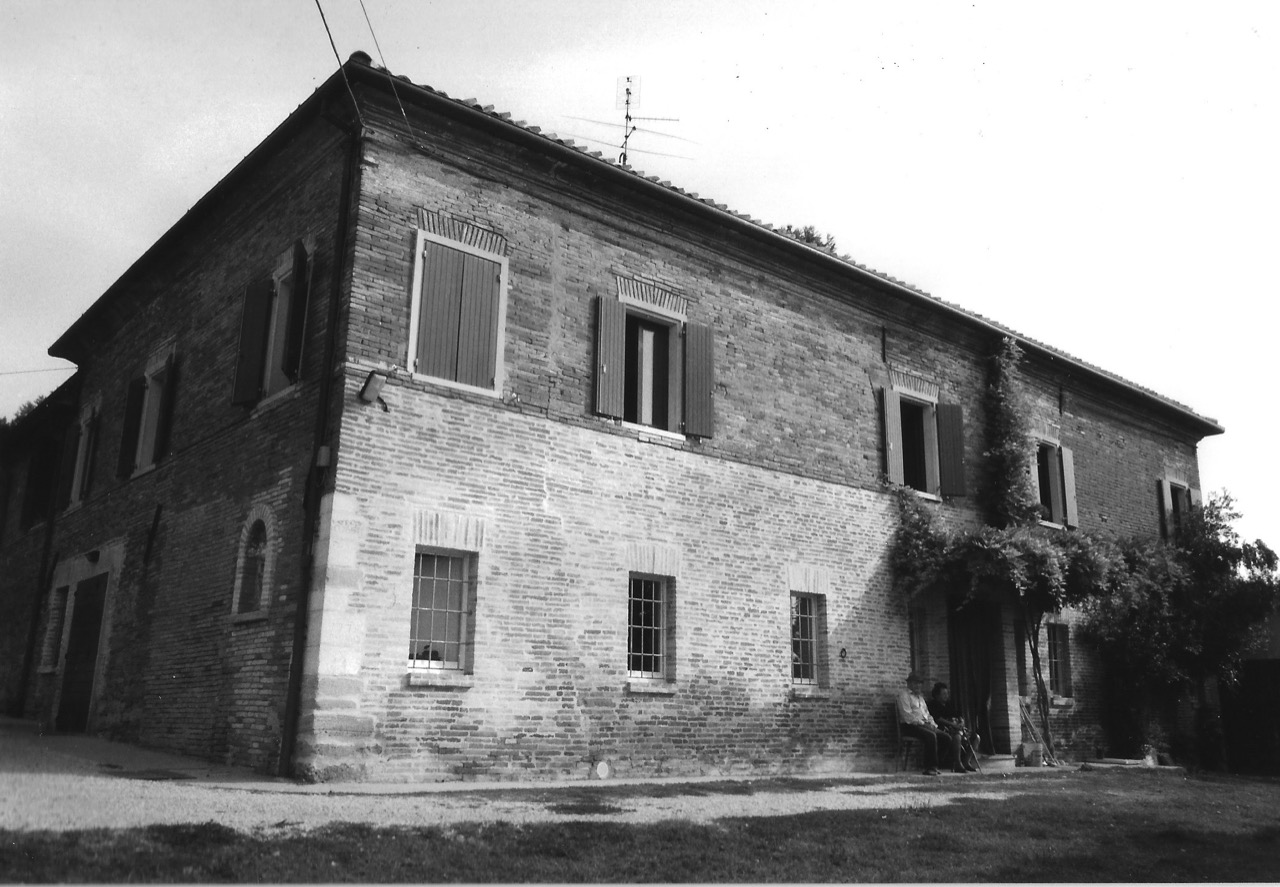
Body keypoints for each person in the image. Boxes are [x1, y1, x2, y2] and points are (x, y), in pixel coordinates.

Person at [896, 672, 959, 775]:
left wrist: (933, 724)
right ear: (909, 684)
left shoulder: (920, 698)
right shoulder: (904, 695)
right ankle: (929, 767)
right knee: (931, 736)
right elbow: (907, 716)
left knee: (946, 737)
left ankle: (936, 764)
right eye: (916, 683)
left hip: (923, 725)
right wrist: (923, 724)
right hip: (910, 726)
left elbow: (927, 714)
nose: (918, 686)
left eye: (920, 683)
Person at [928, 682, 979, 772]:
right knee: (957, 737)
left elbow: (959, 715)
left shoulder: (949, 704)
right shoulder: (933, 704)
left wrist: (961, 721)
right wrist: (952, 724)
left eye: (947, 693)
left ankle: (966, 762)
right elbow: (938, 719)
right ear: (937, 695)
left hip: (956, 727)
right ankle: (957, 763)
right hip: (944, 728)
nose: (946, 696)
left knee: (976, 737)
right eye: (943, 694)